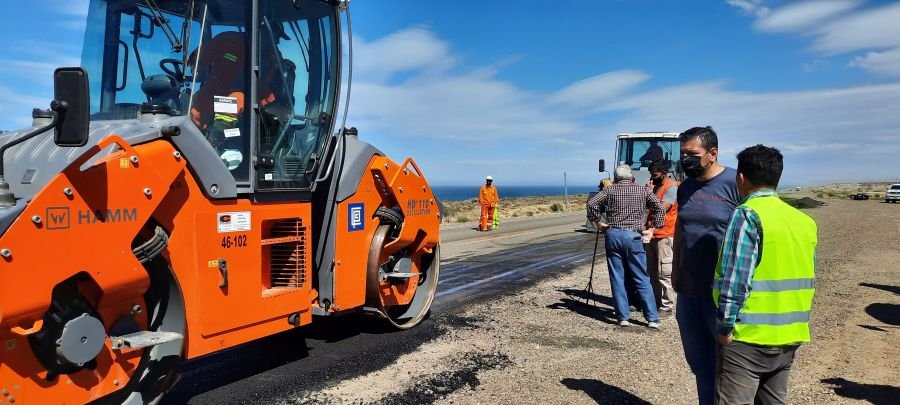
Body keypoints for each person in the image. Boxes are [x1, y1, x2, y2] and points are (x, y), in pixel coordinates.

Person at [714, 145, 817, 404]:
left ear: (741, 177)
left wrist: (725, 326)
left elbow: (736, 278)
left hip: (749, 335)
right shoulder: (803, 221)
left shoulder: (747, 214)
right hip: (790, 334)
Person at [672, 126, 740, 405]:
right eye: (683, 153)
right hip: (688, 292)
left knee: (731, 367)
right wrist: (675, 268)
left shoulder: (736, 182)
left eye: (692, 153)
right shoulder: (686, 186)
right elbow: (681, 228)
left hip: (720, 294)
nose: (685, 159)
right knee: (701, 366)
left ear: (712, 154)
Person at [587, 165, 665, 329]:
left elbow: (592, 203)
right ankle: (652, 318)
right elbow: (659, 209)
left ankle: (623, 317)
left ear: (615, 179)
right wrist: (652, 229)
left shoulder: (610, 190)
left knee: (617, 276)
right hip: (634, 235)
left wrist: (598, 222)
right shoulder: (643, 190)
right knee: (641, 277)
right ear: (632, 178)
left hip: (613, 234)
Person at [646, 161, 678, 315]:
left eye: (655, 174)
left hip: (665, 235)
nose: (652, 177)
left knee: (664, 272)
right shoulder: (656, 187)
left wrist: (649, 195)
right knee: (652, 272)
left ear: (664, 172)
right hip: (652, 235)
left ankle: (667, 306)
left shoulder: (671, 188)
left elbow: (661, 209)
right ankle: (657, 302)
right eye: (651, 174)